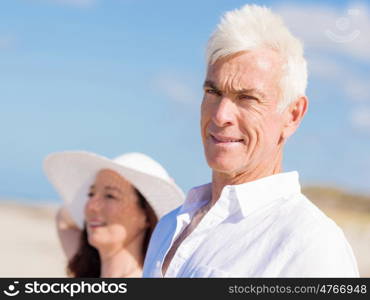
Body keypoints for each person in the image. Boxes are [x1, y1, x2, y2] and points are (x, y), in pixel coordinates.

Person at [143, 4, 359, 277]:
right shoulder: (168, 227)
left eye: (247, 98)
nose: (221, 115)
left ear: (293, 114)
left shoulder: (310, 244)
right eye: (213, 91)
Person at [44, 151, 184, 277]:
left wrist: (163, 205)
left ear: (146, 216)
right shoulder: (88, 269)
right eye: (91, 194)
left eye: (110, 196)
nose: (91, 205)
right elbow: (63, 218)